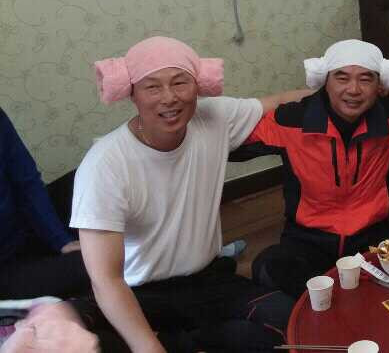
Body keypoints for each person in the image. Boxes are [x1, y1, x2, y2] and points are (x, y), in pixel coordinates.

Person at [69, 36, 310, 352]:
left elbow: (278, 101)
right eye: (152, 87)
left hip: (210, 280)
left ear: (198, 84)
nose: (169, 98)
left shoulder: (214, 118)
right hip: (142, 294)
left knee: (293, 327)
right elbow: (106, 280)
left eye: (180, 82)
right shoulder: (104, 165)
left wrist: (347, 89)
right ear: (132, 93)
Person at [241, 39, 389, 298]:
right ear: (325, 80)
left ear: (380, 84)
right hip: (307, 238)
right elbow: (229, 130)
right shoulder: (291, 120)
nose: (354, 89)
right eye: (342, 78)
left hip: (372, 236)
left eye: (365, 79)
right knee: (269, 268)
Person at [0, 107, 88, 300]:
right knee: (99, 261)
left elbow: (27, 181)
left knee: (89, 179)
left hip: (23, 232)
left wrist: (61, 240)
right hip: (6, 268)